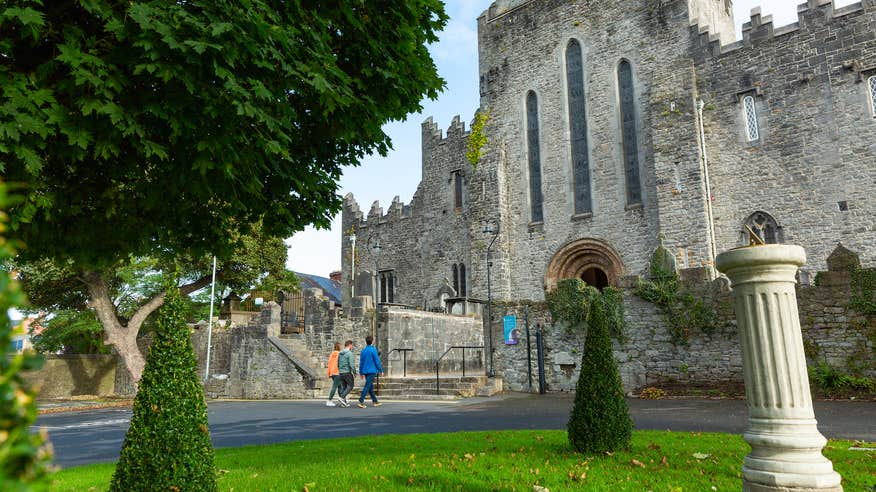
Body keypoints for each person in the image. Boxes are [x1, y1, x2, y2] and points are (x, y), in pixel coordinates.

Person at [356, 335, 383, 408]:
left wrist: (361, 372)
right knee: (367, 386)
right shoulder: (373, 350)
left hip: (365, 371)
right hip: (372, 370)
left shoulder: (363, 351)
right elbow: (377, 361)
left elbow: (361, 362)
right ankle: (361, 401)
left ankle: (375, 401)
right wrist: (380, 370)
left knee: (370, 386)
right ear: (372, 341)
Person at [337, 339, 357, 407]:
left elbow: (338, 363)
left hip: (341, 372)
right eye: (352, 345)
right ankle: (342, 397)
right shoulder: (349, 353)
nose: (352, 347)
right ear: (350, 345)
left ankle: (344, 402)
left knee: (344, 387)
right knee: (350, 386)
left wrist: (340, 370)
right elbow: (351, 364)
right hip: (347, 372)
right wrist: (354, 372)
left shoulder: (340, 353)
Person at [325, 342, 341, 407]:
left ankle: (342, 399)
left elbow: (329, 364)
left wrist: (329, 373)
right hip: (337, 372)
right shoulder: (339, 354)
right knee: (335, 386)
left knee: (340, 386)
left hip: (332, 372)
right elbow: (340, 364)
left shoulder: (332, 354)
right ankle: (329, 400)